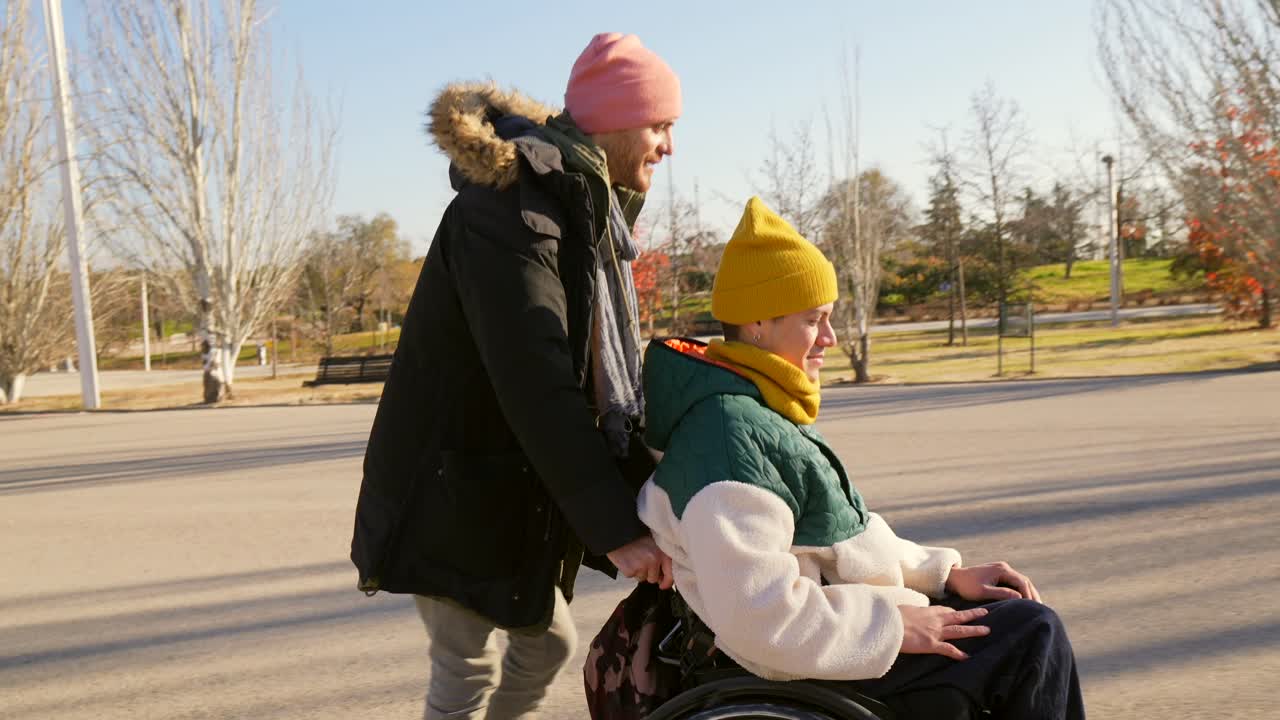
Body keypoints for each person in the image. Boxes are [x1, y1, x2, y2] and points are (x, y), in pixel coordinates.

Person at [636, 197, 1085, 719]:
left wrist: (942, 574)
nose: (829, 338)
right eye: (815, 321)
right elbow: (756, 614)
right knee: (1031, 635)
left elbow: (845, 538)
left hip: (842, 623)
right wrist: (895, 628)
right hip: (802, 655)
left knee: (1019, 613)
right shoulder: (726, 436)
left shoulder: (757, 408)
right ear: (758, 322)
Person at [350, 33, 682, 719]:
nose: (668, 146)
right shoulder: (508, 216)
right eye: (660, 125)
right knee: (465, 674)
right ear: (615, 121)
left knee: (543, 648)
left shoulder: (576, 216)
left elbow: (595, 389)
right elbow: (539, 385)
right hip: (448, 494)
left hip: (501, 492)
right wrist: (617, 527)